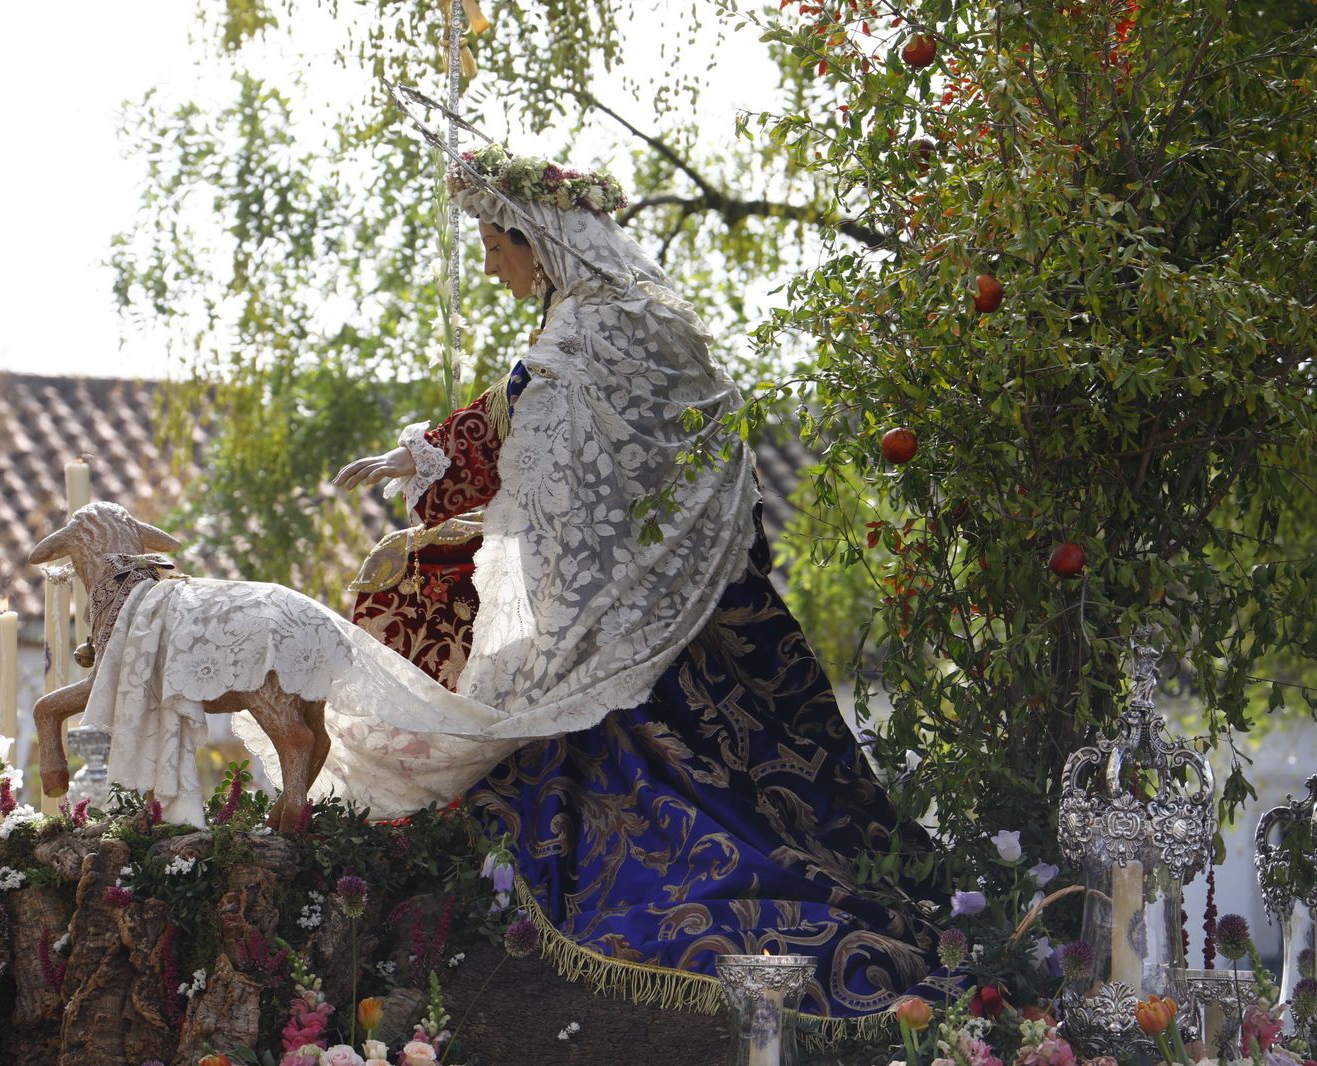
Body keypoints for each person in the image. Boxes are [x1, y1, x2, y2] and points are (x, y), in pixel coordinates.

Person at [332, 145, 956, 1020]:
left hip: (647, 596)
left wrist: (524, 517)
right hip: (636, 579)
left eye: (495, 245)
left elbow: (583, 435)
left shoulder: (604, 325)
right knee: (417, 573)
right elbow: (519, 416)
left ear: (537, 238)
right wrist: (423, 456)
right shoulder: (599, 320)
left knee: (684, 768)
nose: (491, 266)